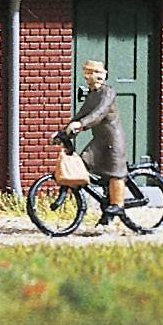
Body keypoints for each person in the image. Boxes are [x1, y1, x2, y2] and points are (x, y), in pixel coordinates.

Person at [64, 59, 131, 231]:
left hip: (113, 141)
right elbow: (82, 113)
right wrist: (63, 132)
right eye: (92, 73)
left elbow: (98, 114)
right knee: (84, 163)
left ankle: (117, 204)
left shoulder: (108, 93)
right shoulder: (92, 94)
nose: (96, 77)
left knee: (116, 172)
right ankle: (106, 203)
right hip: (99, 141)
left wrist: (81, 125)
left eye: (99, 73)